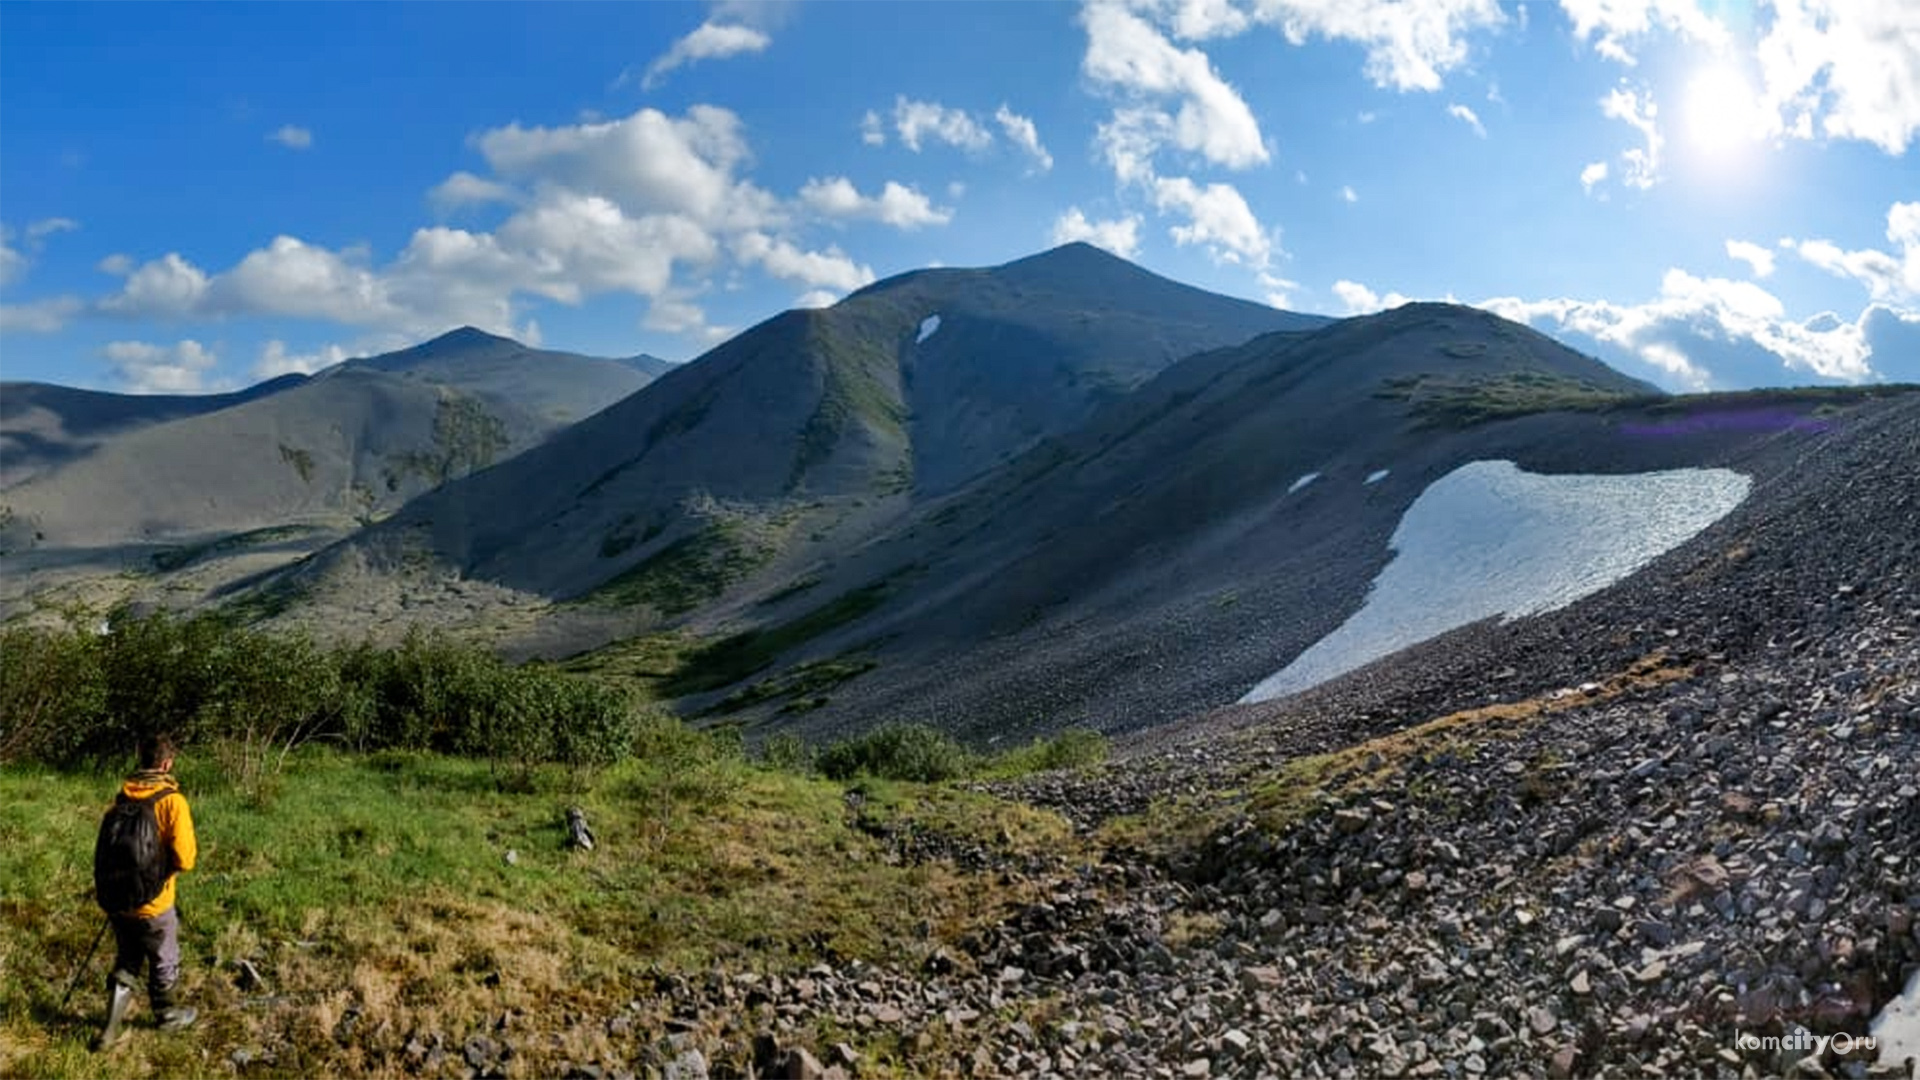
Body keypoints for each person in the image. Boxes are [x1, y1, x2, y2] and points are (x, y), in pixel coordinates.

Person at [97, 732, 198, 1048]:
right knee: (164, 958)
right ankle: (167, 1016)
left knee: (127, 958)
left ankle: (108, 1031)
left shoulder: (123, 797)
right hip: (155, 901)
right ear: (167, 763)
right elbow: (186, 859)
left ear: (142, 759)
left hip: (118, 899)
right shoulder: (172, 801)